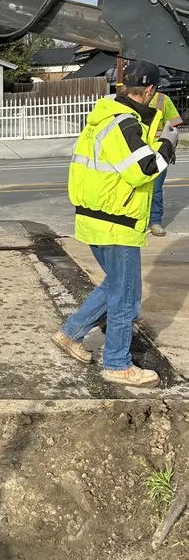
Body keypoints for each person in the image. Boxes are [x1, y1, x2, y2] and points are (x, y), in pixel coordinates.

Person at [51, 60, 178, 388]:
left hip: (99, 219)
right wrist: (168, 143)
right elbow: (144, 169)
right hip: (116, 223)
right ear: (149, 90)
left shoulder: (107, 117)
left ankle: (70, 334)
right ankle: (117, 363)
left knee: (119, 287)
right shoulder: (123, 123)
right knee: (125, 295)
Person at [146, 89, 183, 236]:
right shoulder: (130, 96)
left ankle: (154, 221)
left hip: (157, 151)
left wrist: (169, 148)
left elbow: (173, 125)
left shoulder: (161, 100)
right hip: (136, 150)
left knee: (155, 190)